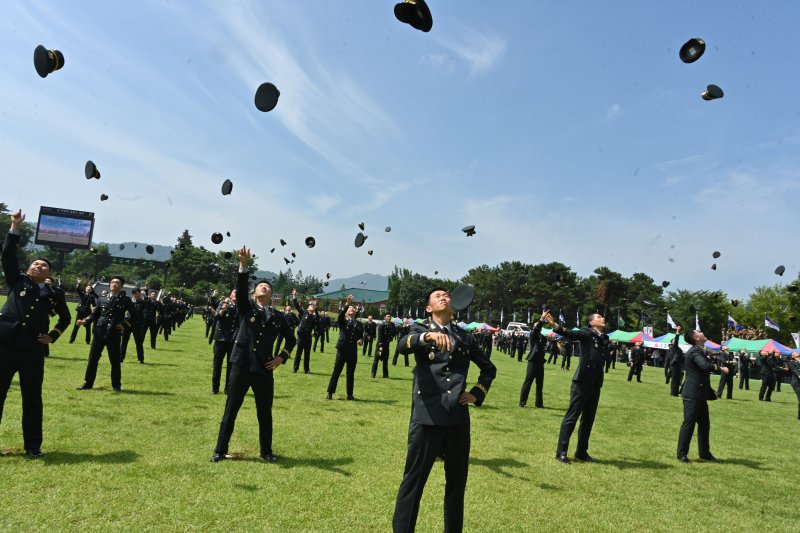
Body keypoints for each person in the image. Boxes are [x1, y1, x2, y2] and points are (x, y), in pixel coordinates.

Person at [392, 287, 496, 533]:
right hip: (426, 418)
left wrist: (477, 392)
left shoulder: (464, 337)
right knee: (413, 484)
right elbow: (402, 345)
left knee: (456, 486)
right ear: (429, 308)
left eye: (447, 295)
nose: (444, 297)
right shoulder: (419, 330)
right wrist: (427, 337)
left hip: (458, 419)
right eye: (438, 296)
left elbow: (488, 368)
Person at [212, 246, 296, 462]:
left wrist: (281, 357)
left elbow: (292, 339)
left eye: (267, 286)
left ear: (272, 295)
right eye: (260, 286)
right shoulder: (246, 308)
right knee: (231, 410)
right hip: (241, 366)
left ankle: (266, 452)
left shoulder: (279, 317)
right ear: (254, 292)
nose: (264, 288)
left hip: (264, 369)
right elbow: (240, 289)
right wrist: (244, 266)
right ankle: (220, 450)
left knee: (264, 413)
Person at [0, 209, 71, 456]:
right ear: (29, 268)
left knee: (32, 398)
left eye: (44, 265)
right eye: (35, 263)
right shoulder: (17, 280)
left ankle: (33, 447)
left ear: (48, 273)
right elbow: (8, 255)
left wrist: (53, 335)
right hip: (5, 344)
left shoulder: (55, 294)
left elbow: (66, 317)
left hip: (32, 349)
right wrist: (15, 228)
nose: (39, 265)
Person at [546, 311, 608, 464]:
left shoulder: (603, 338)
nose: (603, 319)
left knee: (588, 419)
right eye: (599, 317)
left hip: (595, 382)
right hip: (582, 381)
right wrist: (554, 325)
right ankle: (561, 452)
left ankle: (581, 452)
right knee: (572, 416)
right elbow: (570, 334)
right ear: (592, 322)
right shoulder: (586, 333)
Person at [76, 275, 136, 391]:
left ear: (121, 286)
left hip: (114, 334)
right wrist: (85, 321)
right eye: (113, 282)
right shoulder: (102, 299)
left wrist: (124, 325)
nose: (114, 284)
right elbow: (95, 315)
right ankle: (88, 383)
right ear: (109, 285)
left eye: (117, 283)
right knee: (92, 359)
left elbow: (135, 315)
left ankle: (116, 385)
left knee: (115, 360)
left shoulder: (125, 300)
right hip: (99, 332)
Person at [676, 329, 728, 463]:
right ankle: (682, 453)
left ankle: (704, 453)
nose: (701, 332)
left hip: (700, 393)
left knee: (705, 425)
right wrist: (720, 369)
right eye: (698, 332)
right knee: (689, 424)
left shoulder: (699, 350)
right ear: (695, 337)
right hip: (692, 394)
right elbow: (705, 366)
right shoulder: (694, 352)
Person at [326, 295, 363, 400]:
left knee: (350, 373)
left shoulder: (359, 324)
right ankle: (330, 392)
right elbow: (341, 314)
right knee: (336, 371)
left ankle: (350, 394)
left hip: (352, 351)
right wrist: (347, 303)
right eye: (350, 308)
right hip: (342, 349)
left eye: (353, 308)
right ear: (347, 312)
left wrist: (361, 340)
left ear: (356, 312)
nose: (352, 308)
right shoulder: (343, 321)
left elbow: (361, 336)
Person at [211, 292, 237, 395]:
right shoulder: (223, 303)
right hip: (220, 339)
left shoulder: (240, 307)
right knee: (217, 365)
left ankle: (228, 389)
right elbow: (216, 316)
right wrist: (223, 309)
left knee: (231, 366)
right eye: (234, 293)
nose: (236, 294)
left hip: (233, 339)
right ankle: (215, 388)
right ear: (230, 296)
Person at [519, 313, 548, 408]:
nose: (540, 326)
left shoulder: (542, 336)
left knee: (540, 384)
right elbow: (536, 329)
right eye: (538, 325)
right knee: (528, 382)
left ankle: (539, 403)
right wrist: (541, 319)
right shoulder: (533, 333)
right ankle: (522, 402)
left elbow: (544, 344)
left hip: (540, 361)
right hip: (533, 361)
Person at [291, 289, 317, 373]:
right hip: (301, 336)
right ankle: (295, 368)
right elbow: (296, 305)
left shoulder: (314, 317)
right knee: (298, 353)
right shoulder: (303, 313)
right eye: (310, 306)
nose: (311, 306)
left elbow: (317, 321)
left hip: (308, 337)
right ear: (307, 308)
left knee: (307, 354)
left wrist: (315, 307)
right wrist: (294, 296)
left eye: (312, 306)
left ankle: (306, 369)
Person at [120, 287, 147, 363]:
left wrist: (146, 296)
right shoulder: (129, 301)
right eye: (135, 293)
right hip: (127, 324)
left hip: (137, 325)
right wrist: (123, 318)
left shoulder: (143, 302)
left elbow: (149, 305)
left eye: (139, 293)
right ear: (133, 294)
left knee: (139, 342)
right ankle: (121, 358)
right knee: (124, 342)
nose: (137, 295)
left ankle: (141, 359)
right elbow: (122, 310)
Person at [372, 313, 395, 379]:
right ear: (385, 318)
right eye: (388, 316)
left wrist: (391, 338)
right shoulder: (381, 325)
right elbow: (379, 335)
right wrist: (380, 344)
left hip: (387, 345)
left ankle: (385, 375)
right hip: (381, 346)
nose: (389, 317)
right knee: (377, 359)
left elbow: (394, 332)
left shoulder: (392, 325)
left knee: (385, 360)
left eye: (390, 316)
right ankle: (373, 374)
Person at [668, 328, 684, 397]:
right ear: (672, 342)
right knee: (674, 379)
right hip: (674, 366)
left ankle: (676, 392)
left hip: (678, 365)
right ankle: (673, 393)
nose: (675, 341)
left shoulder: (677, 348)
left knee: (677, 379)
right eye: (674, 340)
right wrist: (677, 332)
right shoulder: (674, 347)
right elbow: (676, 340)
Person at [788, 352, 800, 420]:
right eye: (795, 353)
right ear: (793, 356)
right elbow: (796, 371)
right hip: (796, 383)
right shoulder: (792, 363)